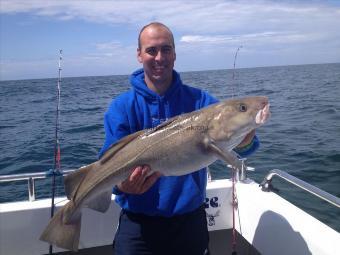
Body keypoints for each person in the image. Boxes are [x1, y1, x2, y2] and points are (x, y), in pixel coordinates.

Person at [99, 22, 259, 255]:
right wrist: (124, 186)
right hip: (138, 227)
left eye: (166, 49)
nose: (159, 57)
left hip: (189, 223)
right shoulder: (122, 107)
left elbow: (246, 149)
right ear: (139, 55)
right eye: (151, 50)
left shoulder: (202, 102)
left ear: (175, 54)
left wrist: (246, 133)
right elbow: (108, 165)